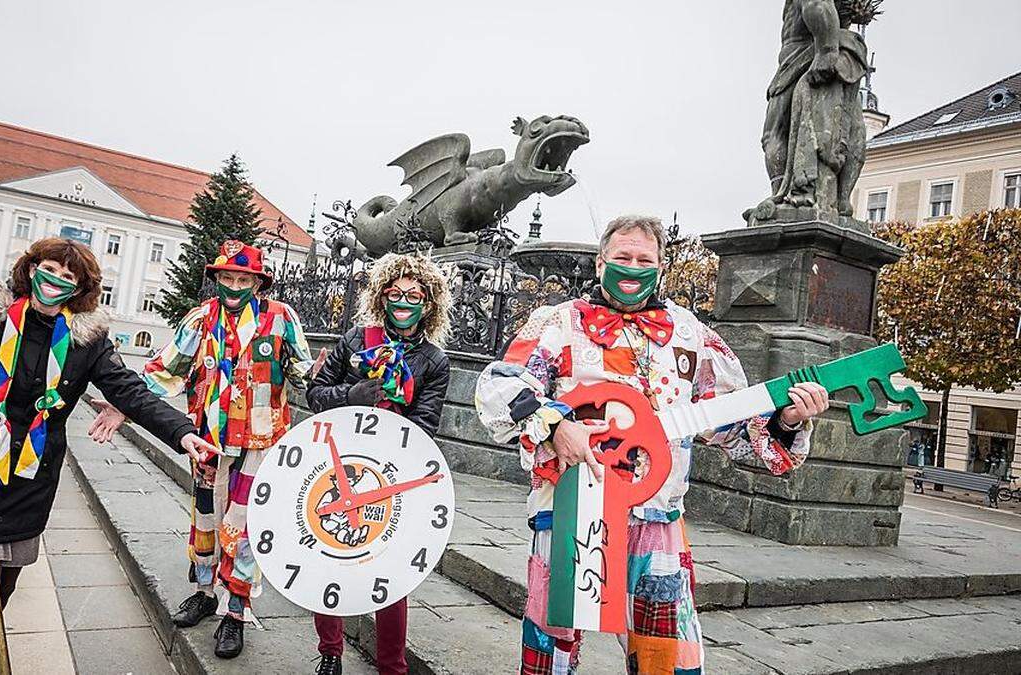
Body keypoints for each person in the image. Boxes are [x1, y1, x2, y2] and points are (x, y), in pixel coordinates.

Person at [475, 216, 830, 675]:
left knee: (667, 654)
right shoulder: (558, 321)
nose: (633, 267)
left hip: (657, 514)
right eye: (622, 257)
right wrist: (556, 423)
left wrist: (785, 419)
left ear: (661, 267)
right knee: (552, 643)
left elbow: (734, 429)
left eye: (645, 259)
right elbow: (499, 388)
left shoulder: (691, 335)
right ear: (600, 262)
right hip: (569, 507)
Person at [0, 238, 215, 674]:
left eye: (68, 277)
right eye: (50, 269)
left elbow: (128, 389)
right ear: (32, 267)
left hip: (30, 478)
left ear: (79, 289)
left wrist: (182, 432)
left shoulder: (86, 341)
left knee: (3, 584)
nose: (55, 281)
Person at [91, 240, 316, 659]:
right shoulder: (200, 318)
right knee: (206, 520)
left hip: (261, 442)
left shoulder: (281, 317)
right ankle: (204, 592)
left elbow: (304, 373)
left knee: (245, 527)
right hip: (208, 440)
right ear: (217, 279)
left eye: (243, 278)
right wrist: (123, 405)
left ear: (257, 281)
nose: (234, 285)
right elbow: (164, 369)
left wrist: (337, 388)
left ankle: (236, 610)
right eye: (227, 277)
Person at [305, 253, 452, 675]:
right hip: (339, 464)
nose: (404, 302)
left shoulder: (434, 361)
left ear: (429, 304)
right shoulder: (356, 340)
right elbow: (316, 394)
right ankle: (330, 652)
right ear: (382, 296)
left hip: (393, 474)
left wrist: (392, 422)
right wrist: (352, 397)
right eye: (395, 293)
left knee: (391, 569)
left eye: (414, 295)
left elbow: (426, 425)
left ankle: (393, 666)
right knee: (328, 556)